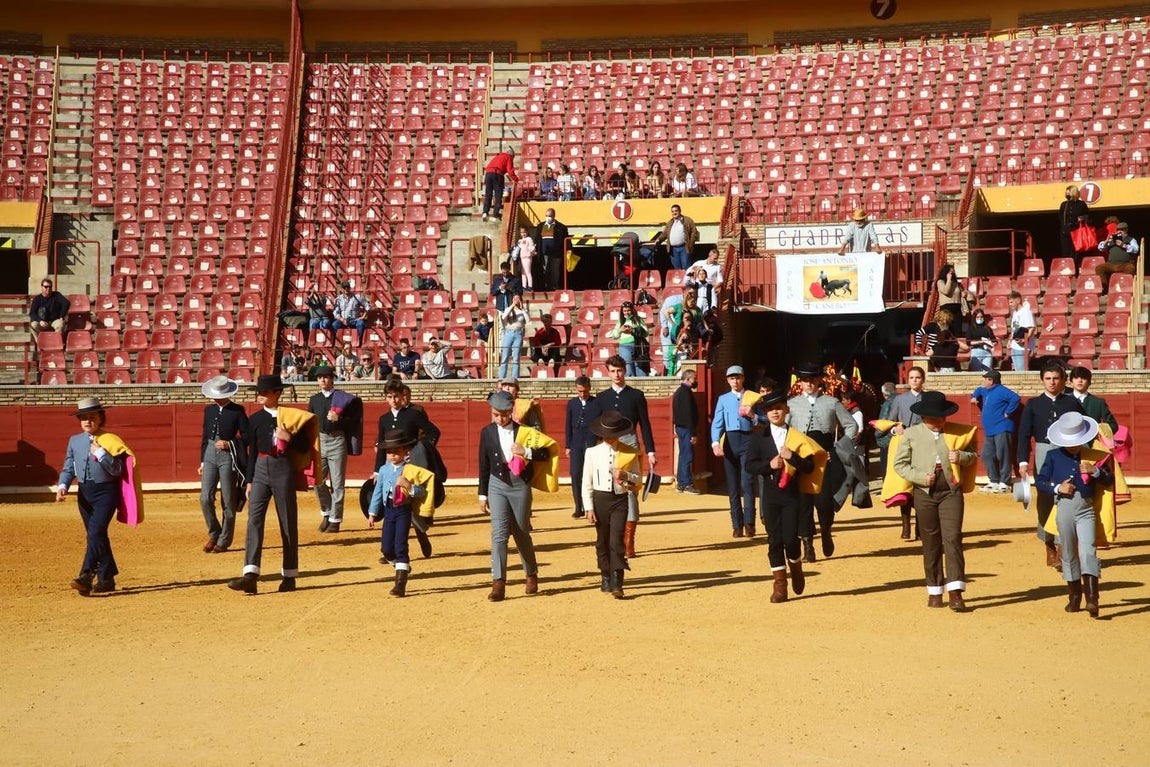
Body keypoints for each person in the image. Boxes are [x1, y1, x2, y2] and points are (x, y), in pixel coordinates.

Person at [228, 375, 319, 595]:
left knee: (287, 520)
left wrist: (289, 438)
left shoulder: (292, 417)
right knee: (254, 520)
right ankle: (250, 574)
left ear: (277, 393)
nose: (259, 396)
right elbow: (251, 452)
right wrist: (249, 480)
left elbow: (305, 447)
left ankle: (289, 575)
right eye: (258, 392)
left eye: (264, 392)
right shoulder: (255, 419)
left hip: (283, 468)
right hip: (260, 469)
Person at [893, 391, 978, 612]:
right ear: (924, 417)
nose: (940, 421)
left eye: (942, 416)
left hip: (951, 491)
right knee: (930, 541)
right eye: (934, 418)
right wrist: (921, 478)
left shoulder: (956, 432)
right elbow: (899, 465)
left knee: (952, 537)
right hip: (924, 493)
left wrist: (961, 457)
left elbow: (973, 456)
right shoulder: (911, 434)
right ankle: (934, 590)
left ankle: (956, 591)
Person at [745, 391, 822, 603]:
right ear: (765, 413)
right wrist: (768, 465)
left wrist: (792, 457)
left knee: (790, 538)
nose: (775, 412)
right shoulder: (758, 437)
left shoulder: (797, 437)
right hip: (770, 495)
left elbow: (809, 467)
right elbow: (749, 465)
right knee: (774, 540)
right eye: (770, 409)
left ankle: (796, 568)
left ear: (786, 410)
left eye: (778, 408)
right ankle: (780, 586)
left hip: (792, 495)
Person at [56, 397, 138, 596]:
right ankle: (106, 578)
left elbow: (118, 470)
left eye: (92, 417)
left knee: (95, 533)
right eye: (84, 418)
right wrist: (63, 485)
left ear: (101, 418)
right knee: (97, 535)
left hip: (106, 493)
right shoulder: (75, 441)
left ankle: (86, 575)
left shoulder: (111, 440)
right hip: (84, 495)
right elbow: (69, 467)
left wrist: (102, 454)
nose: (88, 421)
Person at [1037, 412, 1112, 618]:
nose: (1073, 446)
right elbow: (1041, 481)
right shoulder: (1053, 456)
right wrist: (1057, 488)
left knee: (1088, 551)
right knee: (1069, 552)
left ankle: (1092, 599)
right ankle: (1075, 596)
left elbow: (1109, 480)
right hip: (1064, 508)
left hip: (1086, 509)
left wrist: (1095, 471)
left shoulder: (1093, 455)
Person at [478, 390, 550, 601]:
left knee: (521, 531)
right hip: (496, 483)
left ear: (511, 412)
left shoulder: (524, 431)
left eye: (504, 415)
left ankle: (531, 573)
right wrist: (482, 494)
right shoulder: (487, 432)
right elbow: (483, 465)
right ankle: (498, 582)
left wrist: (525, 451)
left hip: (520, 484)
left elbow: (545, 453)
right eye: (496, 415)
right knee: (499, 534)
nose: (500, 419)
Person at [586, 355, 657, 558]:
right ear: (608, 373)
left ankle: (628, 541)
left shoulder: (636, 395)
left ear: (625, 371)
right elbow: (595, 426)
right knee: (607, 488)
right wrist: (591, 450)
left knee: (630, 490)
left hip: (629, 443)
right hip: (606, 444)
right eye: (613, 371)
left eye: (619, 371)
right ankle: (614, 537)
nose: (617, 374)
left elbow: (645, 423)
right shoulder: (602, 397)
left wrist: (651, 451)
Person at [1018, 360, 1085, 569]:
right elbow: (1024, 434)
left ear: (1063, 380)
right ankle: (1048, 542)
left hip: (1067, 451)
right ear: (1042, 380)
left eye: (1056, 378)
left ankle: (1062, 546)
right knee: (1046, 497)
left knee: (1065, 497)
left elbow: (1083, 430)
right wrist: (1022, 462)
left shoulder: (1072, 403)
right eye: (1048, 378)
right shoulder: (1033, 404)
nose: (1052, 382)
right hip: (1043, 450)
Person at [787, 362, 858, 560]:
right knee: (803, 503)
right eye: (805, 380)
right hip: (801, 458)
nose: (809, 383)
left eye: (813, 380)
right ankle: (808, 544)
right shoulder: (791, 404)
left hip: (825, 457)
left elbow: (851, 425)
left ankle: (826, 530)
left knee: (824, 502)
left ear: (819, 381)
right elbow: (784, 431)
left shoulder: (832, 402)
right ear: (800, 383)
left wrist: (839, 448)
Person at [365, 429, 435, 598]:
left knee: (400, 545)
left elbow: (422, 491)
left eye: (396, 451)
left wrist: (408, 486)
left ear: (406, 451)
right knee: (386, 549)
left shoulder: (412, 470)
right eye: (389, 451)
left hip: (404, 511)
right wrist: (372, 513)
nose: (392, 454)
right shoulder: (383, 470)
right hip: (389, 510)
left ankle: (400, 584)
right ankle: (401, 567)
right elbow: (377, 492)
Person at [581, 411, 642, 599]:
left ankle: (617, 581)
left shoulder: (628, 452)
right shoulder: (592, 452)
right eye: (607, 434)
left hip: (620, 500)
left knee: (616, 540)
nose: (610, 438)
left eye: (613, 434)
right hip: (600, 500)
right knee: (602, 540)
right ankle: (605, 575)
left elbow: (637, 479)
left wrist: (625, 475)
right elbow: (586, 482)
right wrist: (588, 507)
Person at [309, 365, 362, 535]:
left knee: (337, 484)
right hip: (320, 441)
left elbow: (354, 422)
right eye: (320, 378)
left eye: (326, 377)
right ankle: (327, 512)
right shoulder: (314, 399)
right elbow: (310, 423)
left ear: (332, 379)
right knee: (317, 481)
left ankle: (335, 520)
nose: (322, 380)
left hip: (337, 440)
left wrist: (339, 419)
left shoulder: (342, 398)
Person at [198, 376, 248, 554]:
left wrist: (230, 443)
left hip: (228, 456)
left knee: (228, 500)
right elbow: (205, 438)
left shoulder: (237, 410)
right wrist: (202, 461)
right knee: (205, 498)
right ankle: (215, 532)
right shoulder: (209, 410)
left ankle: (224, 540)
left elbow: (247, 436)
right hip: (210, 454)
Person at [711, 365, 761, 538]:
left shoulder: (753, 397)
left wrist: (753, 415)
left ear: (743, 378)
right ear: (728, 380)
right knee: (732, 486)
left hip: (748, 440)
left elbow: (764, 419)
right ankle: (737, 525)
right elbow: (717, 422)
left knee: (747, 483)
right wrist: (715, 443)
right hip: (730, 442)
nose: (735, 381)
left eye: (738, 377)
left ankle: (749, 523)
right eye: (732, 378)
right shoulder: (723, 399)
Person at [887, 366, 926, 540]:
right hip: (904, 445)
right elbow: (890, 422)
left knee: (920, 487)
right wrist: (894, 430)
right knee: (904, 486)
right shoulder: (900, 399)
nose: (914, 380)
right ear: (908, 380)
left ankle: (919, 528)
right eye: (911, 377)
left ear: (923, 380)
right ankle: (906, 526)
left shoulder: (928, 398)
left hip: (923, 446)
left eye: (917, 377)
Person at [374, 379, 441, 473]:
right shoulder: (384, 419)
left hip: (411, 461)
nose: (393, 400)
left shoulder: (413, 414)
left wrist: (420, 450)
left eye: (396, 396)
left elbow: (434, 432)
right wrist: (377, 472)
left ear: (402, 396)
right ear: (386, 398)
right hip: (391, 463)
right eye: (390, 397)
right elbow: (381, 445)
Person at [971, 369, 1020, 493]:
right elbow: (978, 390)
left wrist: (1008, 412)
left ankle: (1005, 482)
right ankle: (994, 481)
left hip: (1002, 427)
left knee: (1003, 454)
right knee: (987, 454)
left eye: (986, 379)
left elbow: (1015, 398)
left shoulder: (1002, 390)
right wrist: (974, 396)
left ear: (991, 380)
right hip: (990, 430)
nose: (984, 381)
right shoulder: (986, 390)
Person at [565, 375, 594, 518]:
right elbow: (568, 425)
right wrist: (568, 445)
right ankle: (578, 506)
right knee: (575, 473)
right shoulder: (572, 403)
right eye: (580, 391)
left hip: (591, 441)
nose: (582, 394)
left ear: (589, 389)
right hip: (576, 441)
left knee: (591, 474)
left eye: (585, 391)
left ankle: (591, 506)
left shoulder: (596, 403)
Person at [672, 368, 701, 494]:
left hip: (682, 427)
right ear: (688, 379)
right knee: (687, 455)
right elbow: (688, 414)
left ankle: (681, 483)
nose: (696, 381)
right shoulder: (685, 393)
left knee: (683, 454)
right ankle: (686, 484)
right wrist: (693, 432)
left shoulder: (681, 391)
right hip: (686, 428)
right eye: (695, 378)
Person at [650, 204, 699, 271]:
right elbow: (664, 233)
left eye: (676, 211)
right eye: (672, 211)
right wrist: (659, 239)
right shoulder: (670, 222)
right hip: (673, 249)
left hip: (684, 248)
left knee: (686, 268)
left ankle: (687, 278)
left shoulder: (687, 220)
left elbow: (694, 231)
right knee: (677, 269)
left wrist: (691, 243)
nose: (674, 213)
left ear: (680, 211)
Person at [1068, 366, 1117, 432]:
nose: (1080, 380)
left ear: (1089, 383)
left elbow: (1113, 425)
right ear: (1071, 382)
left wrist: (1099, 431)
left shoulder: (1098, 403)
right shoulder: (1063, 401)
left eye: (1083, 378)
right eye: (1076, 378)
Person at [607, 301, 649, 378]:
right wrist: (620, 330)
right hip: (625, 346)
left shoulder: (638, 320)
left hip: (638, 346)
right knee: (628, 369)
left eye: (628, 310)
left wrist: (633, 330)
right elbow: (615, 336)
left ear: (632, 310)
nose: (627, 313)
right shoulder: (620, 321)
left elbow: (646, 332)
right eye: (625, 311)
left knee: (641, 371)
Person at [532, 208, 569, 291]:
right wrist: (535, 249)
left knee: (555, 271)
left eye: (550, 216)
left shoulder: (561, 227)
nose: (548, 217)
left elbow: (566, 239)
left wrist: (569, 249)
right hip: (544, 253)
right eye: (546, 216)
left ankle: (554, 288)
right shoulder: (540, 226)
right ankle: (547, 287)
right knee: (545, 270)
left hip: (556, 254)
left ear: (554, 216)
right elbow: (537, 239)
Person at [1094, 221, 1139, 287]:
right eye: (1118, 230)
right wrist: (1106, 241)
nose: (1119, 231)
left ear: (1126, 230)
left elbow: (1136, 250)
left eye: (1122, 230)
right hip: (1111, 264)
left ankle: (1127, 286)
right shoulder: (1112, 239)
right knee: (1099, 268)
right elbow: (1100, 248)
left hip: (1125, 264)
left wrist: (1124, 245)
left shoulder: (1131, 239)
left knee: (1131, 268)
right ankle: (1105, 287)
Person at [481, 148, 517, 221]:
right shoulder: (509, 157)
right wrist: (516, 179)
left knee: (488, 194)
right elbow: (510, 171)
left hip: (488, 174)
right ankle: (495, 215)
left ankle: (485, 212)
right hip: (497, 174)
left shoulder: (498, 156)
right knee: (498, 195)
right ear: (512, 155)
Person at [498, 293, 529, 380]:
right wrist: (512, 306)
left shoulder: (523, 311)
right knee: (505, 356)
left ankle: (515, 377)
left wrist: (522, 309)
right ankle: (501, 377)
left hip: (518, 333)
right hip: (508, 332)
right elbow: (503, 317)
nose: (516, 301)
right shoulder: (508, 309)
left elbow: (528, 320)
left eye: (518, 299)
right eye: (514, 299)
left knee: (516, 357)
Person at [1007, 291, 1036, 372]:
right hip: (1014, 346)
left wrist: (1025, 340)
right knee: (1017, 371)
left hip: (1023, 348)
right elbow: (1014, 328)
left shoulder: (1026, 312)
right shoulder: (1015, 313)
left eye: (1011, 302)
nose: (1010, 304)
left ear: (1018, 301)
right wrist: (1010, 340)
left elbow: (1031, 328)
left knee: (1022, 371)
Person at [1058, 184, 1089, 258]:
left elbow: (1088, 216)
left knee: (1076, 253)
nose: (1067, 194)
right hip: (1065, 232)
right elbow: (1060, 217)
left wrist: (1082, 218)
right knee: (1066, 253)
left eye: (1068, 192)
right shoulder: (1064, 204)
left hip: (1077, 232)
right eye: (1066, 193)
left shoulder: (1081, 204)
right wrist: (1064, 229)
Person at [875, 381, 897, 478]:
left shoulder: (887, 404)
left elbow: (883, 424)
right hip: (898, 437)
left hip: (886, 440)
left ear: (884, 394)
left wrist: (876, 434)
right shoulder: (901, 400)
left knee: (886, 468)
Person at [529, 312, 562, 376]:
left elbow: (558, 342)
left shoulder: (555, 332)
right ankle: (540, 360)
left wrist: (549, 345)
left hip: (551, 350)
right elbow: (535, 342)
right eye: (545, 322)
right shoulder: (539, 332)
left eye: (548, 322)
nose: (547, 323)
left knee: (555, 348)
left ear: (551, 322)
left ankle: (552, 360)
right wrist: (542, 347)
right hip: (542, 350)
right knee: (536, 350)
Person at [515, 225, 536, 291]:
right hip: (522, 258)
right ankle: (524, 286)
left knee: (528, 272)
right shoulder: (519, 240)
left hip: (527, 257)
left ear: (527, 232)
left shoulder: (529, 239)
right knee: (523, 273)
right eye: (521, 232)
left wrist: (531, 251)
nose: (523, 234)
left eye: (524, 232)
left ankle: (530, 286)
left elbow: (532, 247)